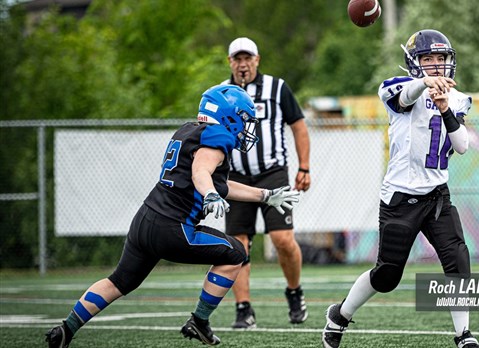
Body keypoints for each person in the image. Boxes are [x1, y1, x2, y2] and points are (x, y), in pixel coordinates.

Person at [44, 85, 300, 348]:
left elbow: (220, 183)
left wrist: (265, 195)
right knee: (236, 253)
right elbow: (200, 172)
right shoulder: (218, 136)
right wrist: (210, 195)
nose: (246, 127)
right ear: (229, 115)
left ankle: (66, 329)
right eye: (244, 119)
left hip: (145, 220)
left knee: (119, 281)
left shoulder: (189, 129)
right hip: (172, 227)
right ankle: (199, 321)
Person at [322, 29, 479, 348]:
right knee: (387, 276)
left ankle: (464, 335)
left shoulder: (458, 98)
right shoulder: (396, 89)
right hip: (400, 199)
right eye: (428, 59)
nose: (436, 65)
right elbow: (405, 97)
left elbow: (461, 145)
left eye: (441, 58)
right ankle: (339, 316)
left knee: (458, 259)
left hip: (436, 195)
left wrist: (445, 107)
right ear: (414, 63)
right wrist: (425, 85)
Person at [221, 37, 311, 328]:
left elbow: (298, 126)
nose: (242, 64)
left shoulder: (277, 88)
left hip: (272, 172)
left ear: (257, 60)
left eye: (247, 58)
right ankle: (243, 308)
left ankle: (295, 292)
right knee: (238, 245)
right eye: (237, 59)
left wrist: (304, 167)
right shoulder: (221, 93)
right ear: (230, 62)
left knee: (282, 239)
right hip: (236, 176)